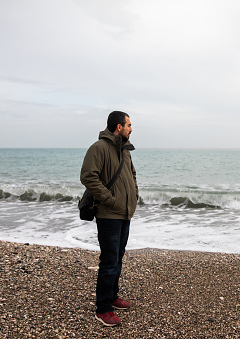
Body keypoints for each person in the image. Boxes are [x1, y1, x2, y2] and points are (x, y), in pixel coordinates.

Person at [80, 111, 138, 327]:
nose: (131, 129)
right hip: (109, 215)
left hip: (124, 213)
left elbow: (132, 174)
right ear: (118, 127)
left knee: (118, 258)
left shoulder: (124, 149)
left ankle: (112, 296)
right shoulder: (99, 148)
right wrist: (110, 199)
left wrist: (135, 195)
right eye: (129, 125)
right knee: (109, 261)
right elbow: (88, 176)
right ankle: (102, 309)